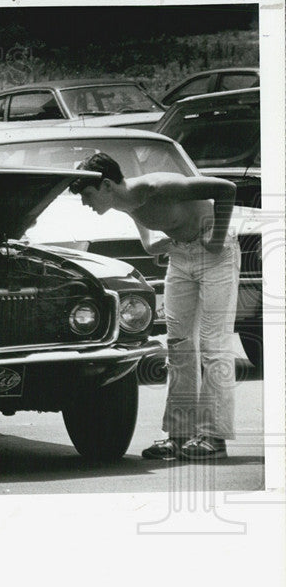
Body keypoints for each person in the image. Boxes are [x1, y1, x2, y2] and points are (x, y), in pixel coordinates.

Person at [70, 152, 240, 461]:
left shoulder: (159, 186)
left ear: (107, 185)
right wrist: (158, 245)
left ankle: (214, 438)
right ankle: (179, 436)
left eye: (87, 194)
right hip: (181, 256)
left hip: (217, 253)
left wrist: (215, 239)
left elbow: (226, 189)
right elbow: (149, 240)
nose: (84, 202)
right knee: (178, 345)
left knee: (213, 345)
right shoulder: (123, 202)